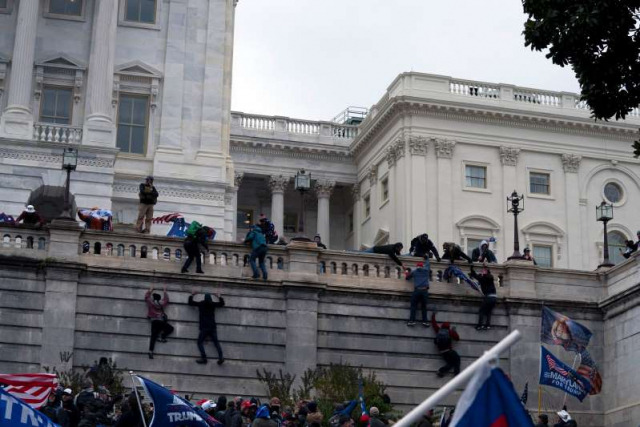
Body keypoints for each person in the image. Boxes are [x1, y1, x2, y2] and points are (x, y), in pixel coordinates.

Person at [189, 289, 225, 365]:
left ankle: (204, 358)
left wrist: (192, 294)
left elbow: (190, 303)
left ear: (204, 298)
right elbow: (222, 303)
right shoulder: (212, 304)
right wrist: (219, 296)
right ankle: (221, 357)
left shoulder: (201, 304)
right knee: (216, 343)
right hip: (212, 327)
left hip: (204, 327)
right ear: (210, 299)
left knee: (199, 342)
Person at [145, 285, 174, 359]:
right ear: (159, 298)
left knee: (153, 337)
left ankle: (150, 351)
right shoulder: (161, 304)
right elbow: (166, 300)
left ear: (153, 298)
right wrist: (164, 291)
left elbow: (146, 297)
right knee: (171, 328)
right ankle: (162, 336)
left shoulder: (151, 303)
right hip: (161, 322)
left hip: (154, 322)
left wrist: (150, 290)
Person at [469, 264, 497, 330]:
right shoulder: (484, 278)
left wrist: (483, 272)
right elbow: (475, 275)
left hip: (489, 297)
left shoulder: (487, 277)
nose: (482, 272)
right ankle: (487, 325)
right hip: (494, 297)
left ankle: (480, 325)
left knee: (481, 311)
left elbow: (488, 276)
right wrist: (472, 269)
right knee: (488, 311)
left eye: (483, 271)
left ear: (486, 272)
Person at [405, 261, 430, 327]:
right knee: (424, 307)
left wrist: (407, 272)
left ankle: (411, 321)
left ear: (417, 266)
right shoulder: (426, 271)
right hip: (425, 290)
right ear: (422, 266)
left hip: (417, 290)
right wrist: (426, 258)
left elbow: (407, 278)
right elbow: (428, 263)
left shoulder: (414, 272)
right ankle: (425, 322)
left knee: (413, 306)